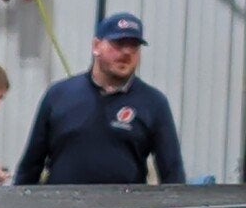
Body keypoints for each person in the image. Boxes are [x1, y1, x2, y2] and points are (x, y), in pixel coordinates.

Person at [14, 11, 185, 185]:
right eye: (118, 43)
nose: (127, 52)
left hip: (123, 202)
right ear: (96, 46)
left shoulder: (154, 104)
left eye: (134, 46)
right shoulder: (58, 96)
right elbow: (30, 166)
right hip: (63, 201)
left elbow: (173, 172)